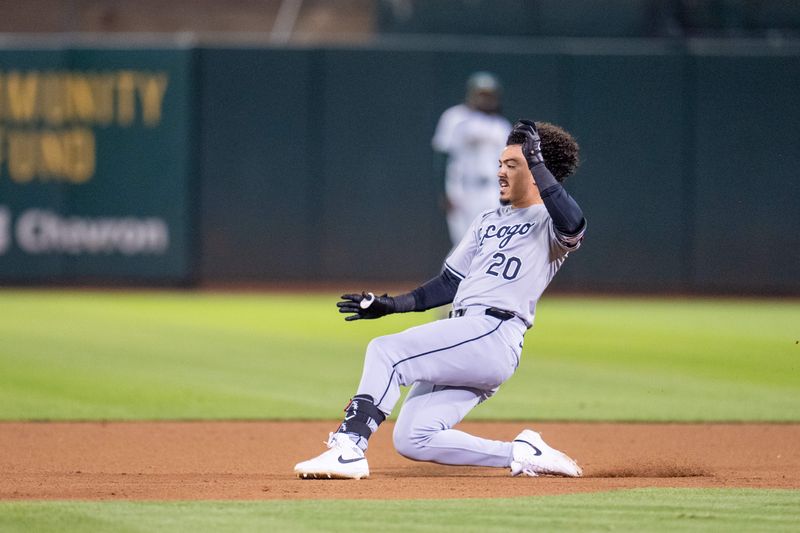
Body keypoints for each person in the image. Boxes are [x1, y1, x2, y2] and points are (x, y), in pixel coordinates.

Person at [294, 119, 586, 480]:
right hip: (466, 332)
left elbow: (573, 223)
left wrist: (538, 162)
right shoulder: (487, 220)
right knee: (414, 438)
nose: (500, 172)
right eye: (500, 163)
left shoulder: (549, 223)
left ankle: (349, 446)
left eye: (512, 165)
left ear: (540, 172)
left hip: (494, 331)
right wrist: (391, 305)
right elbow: (449, 282)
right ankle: (522, 453)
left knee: (387, 352)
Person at [432, 72, 512, 247]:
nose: (485, 99)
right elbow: (442, 155)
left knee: (491, 243)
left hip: (491, 190)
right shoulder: (454, 117)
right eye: (481, 94)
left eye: (489, 94)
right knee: (463, 245)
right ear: (472, 93)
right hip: (461, 188)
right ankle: (454, 274)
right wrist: (443, 190)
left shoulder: (501, 125)